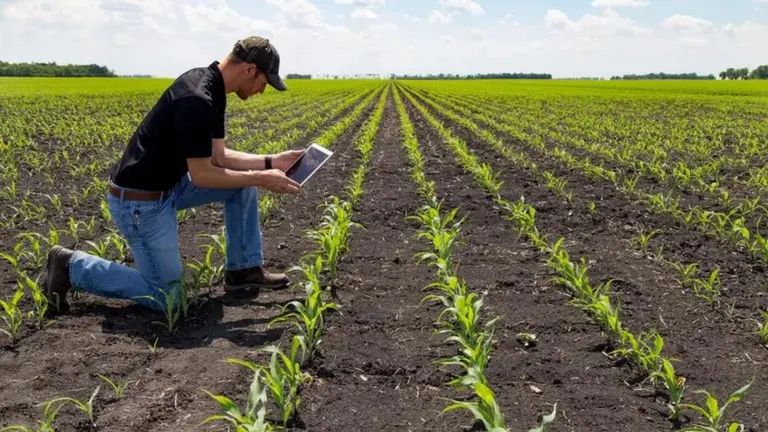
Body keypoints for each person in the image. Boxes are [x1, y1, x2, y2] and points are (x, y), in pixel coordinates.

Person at [43, 36, 304, 315]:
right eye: (264, 82)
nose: (262, 90)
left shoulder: (213, 87)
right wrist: (261, 177)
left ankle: (243, 271)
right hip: (139, 203)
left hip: (169, 186)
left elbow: (219, 157)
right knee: (168, 298)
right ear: (250, 70)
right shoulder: (197, 98)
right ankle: (71, 267)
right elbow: (203, 175)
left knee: (242, 186)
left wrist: (271, 161)